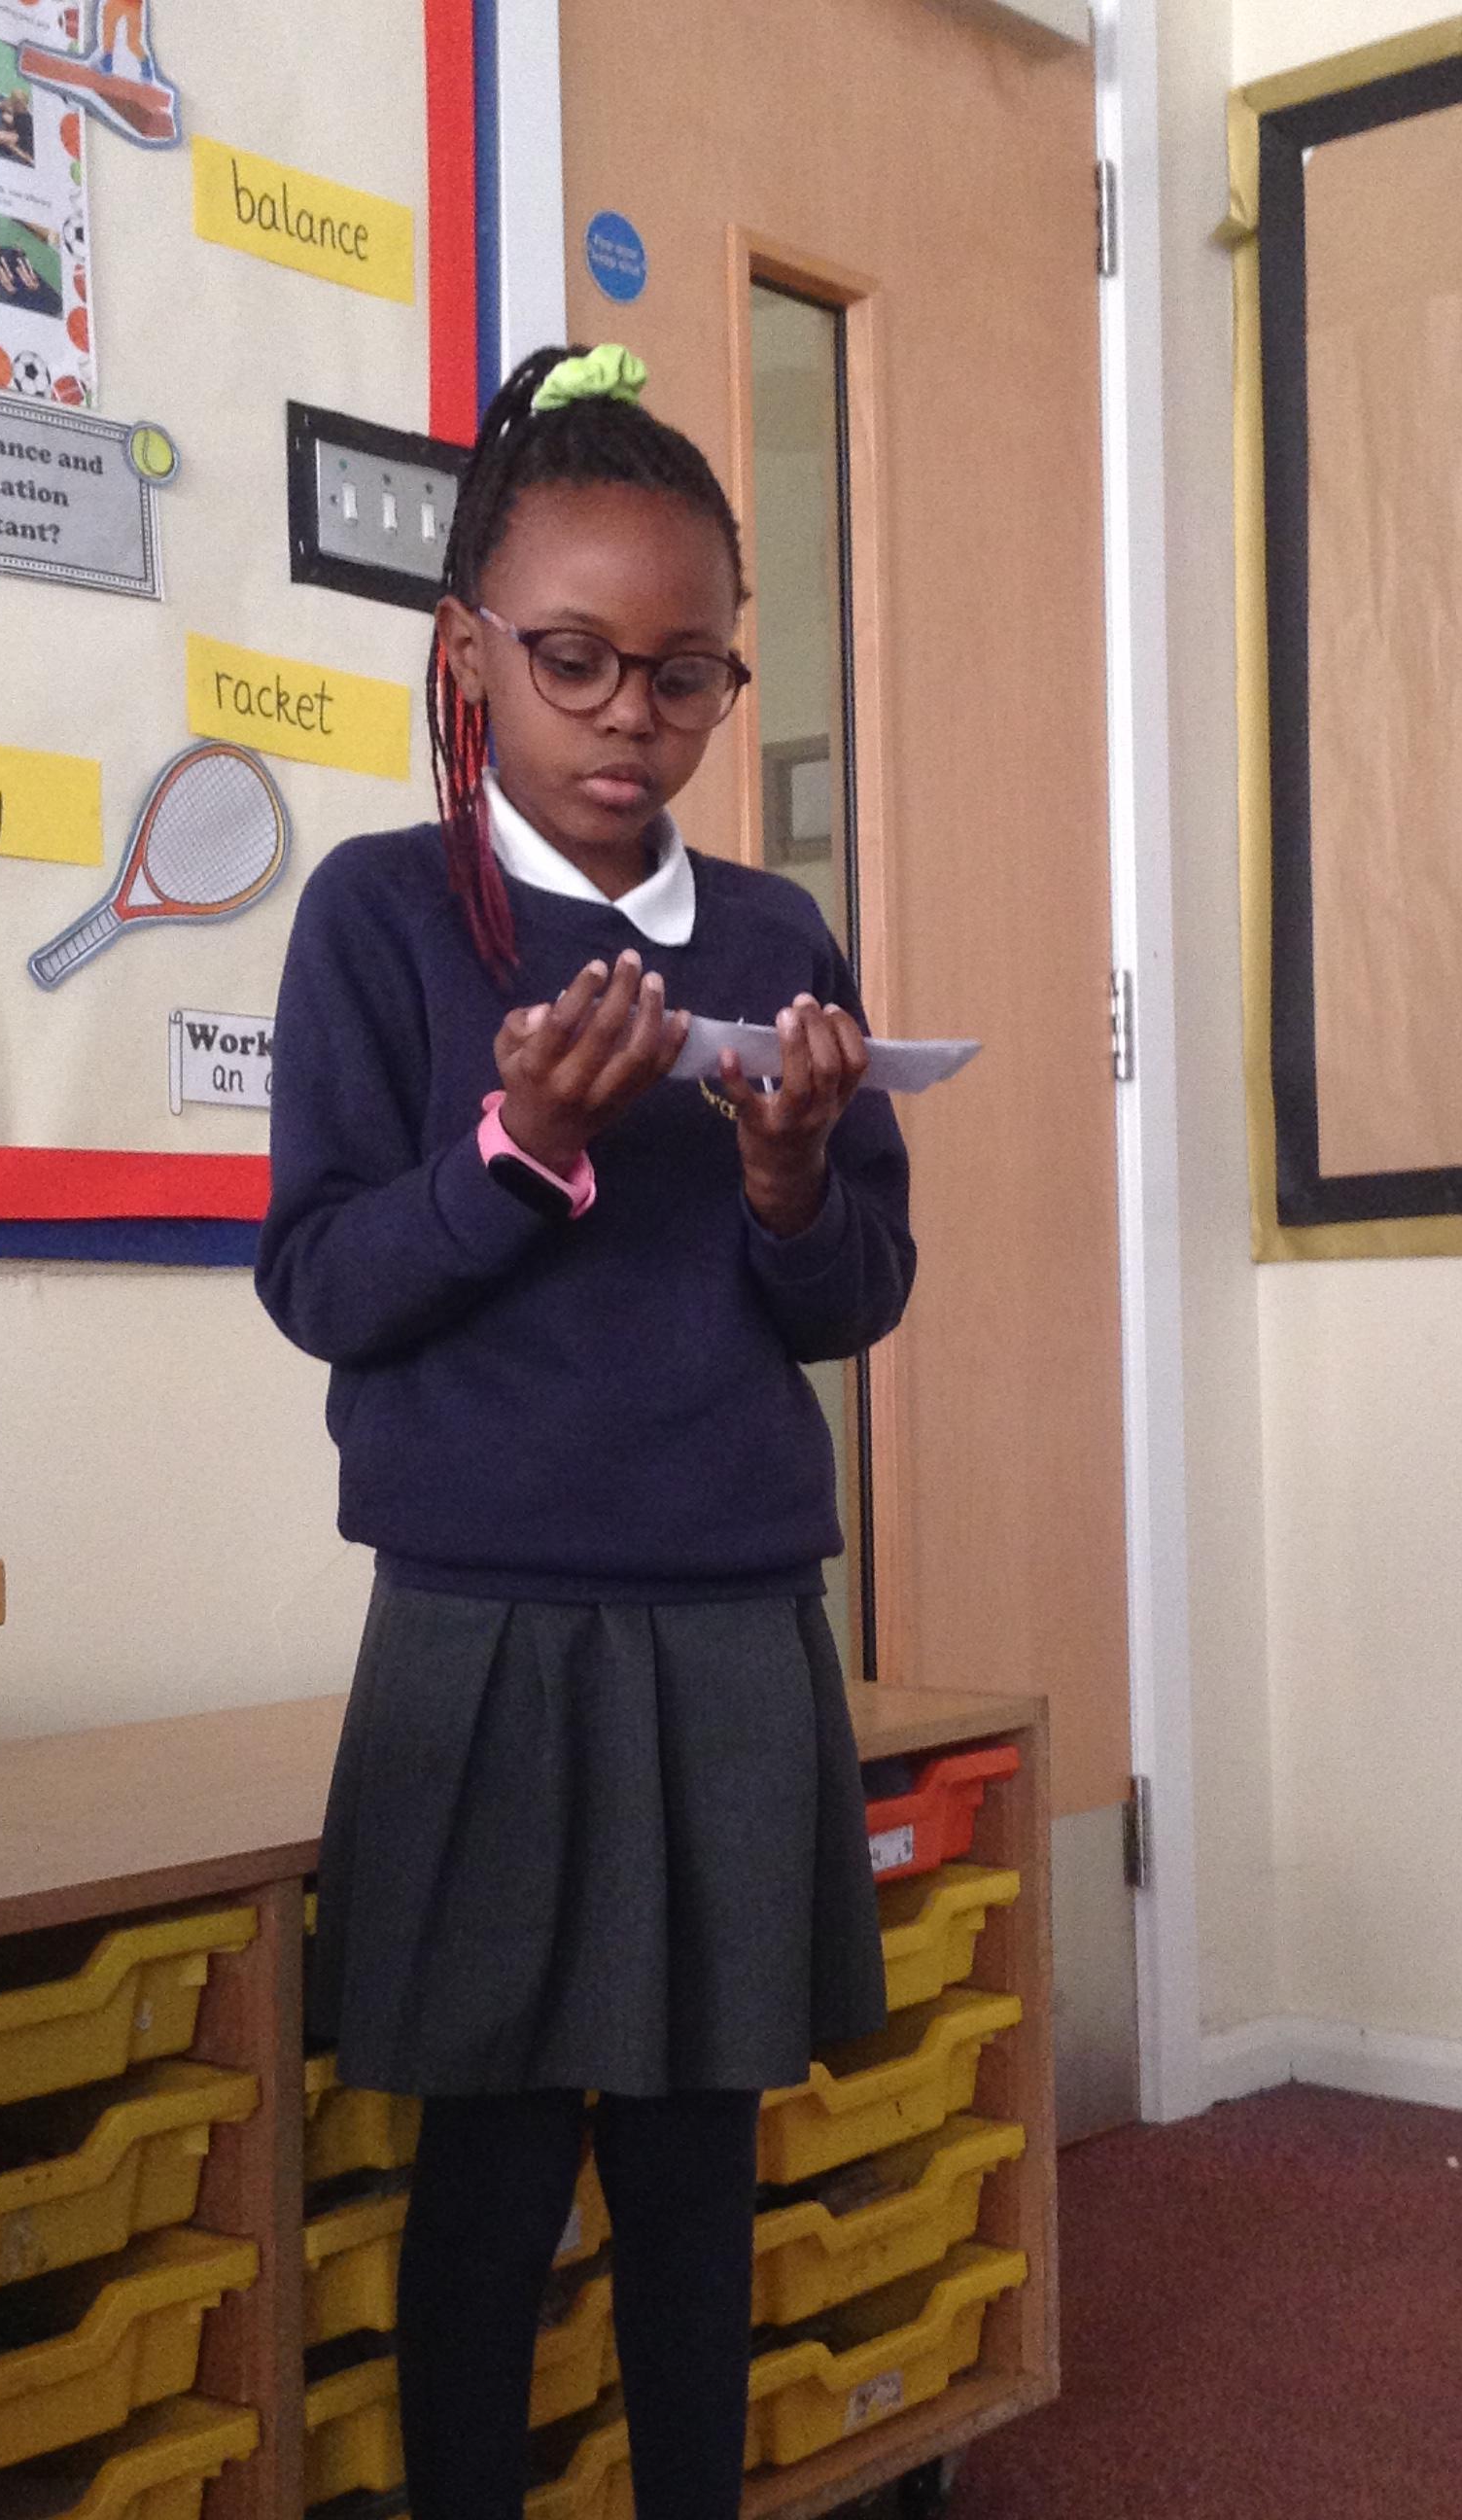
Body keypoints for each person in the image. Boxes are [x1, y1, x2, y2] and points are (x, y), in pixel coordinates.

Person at [255, 341, 915, 2520]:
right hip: (488, 1633)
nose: (631, 715)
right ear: (468, 653)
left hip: (729, 1624)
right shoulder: (379, 919)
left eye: (687, 673)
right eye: (573, 660)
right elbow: (323, 1282)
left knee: (700, 2170)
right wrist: (520, 1150)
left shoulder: (775, 934)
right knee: (491, 2177)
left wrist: (788, 1179)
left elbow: (850, 1298)